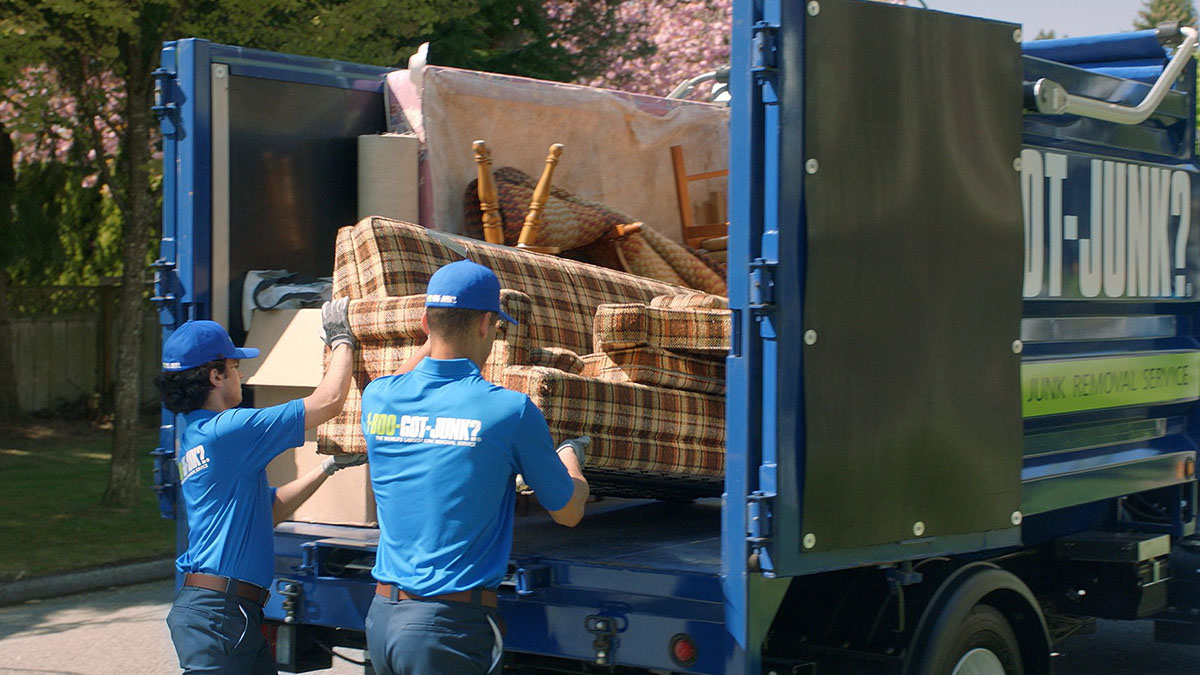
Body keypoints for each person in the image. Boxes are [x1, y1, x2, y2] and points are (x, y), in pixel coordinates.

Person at [362, 259, 590, 675]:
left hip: (383, 620)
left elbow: (403, 379)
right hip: (449, 629)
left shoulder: (378, 398)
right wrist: (570, 457)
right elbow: (568, 512)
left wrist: (435, 334)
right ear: (487, 324)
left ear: (425, 323)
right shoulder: (509, 411)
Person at [158, 300, 364, 675]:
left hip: (224, 612)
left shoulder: (195, 435)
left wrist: (328, 468)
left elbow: (269, 511)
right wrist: (342, 339)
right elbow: (328, 402)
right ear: (216, 376)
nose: (242, 375)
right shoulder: (228, 430)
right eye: (235, 367)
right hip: (220, 614)